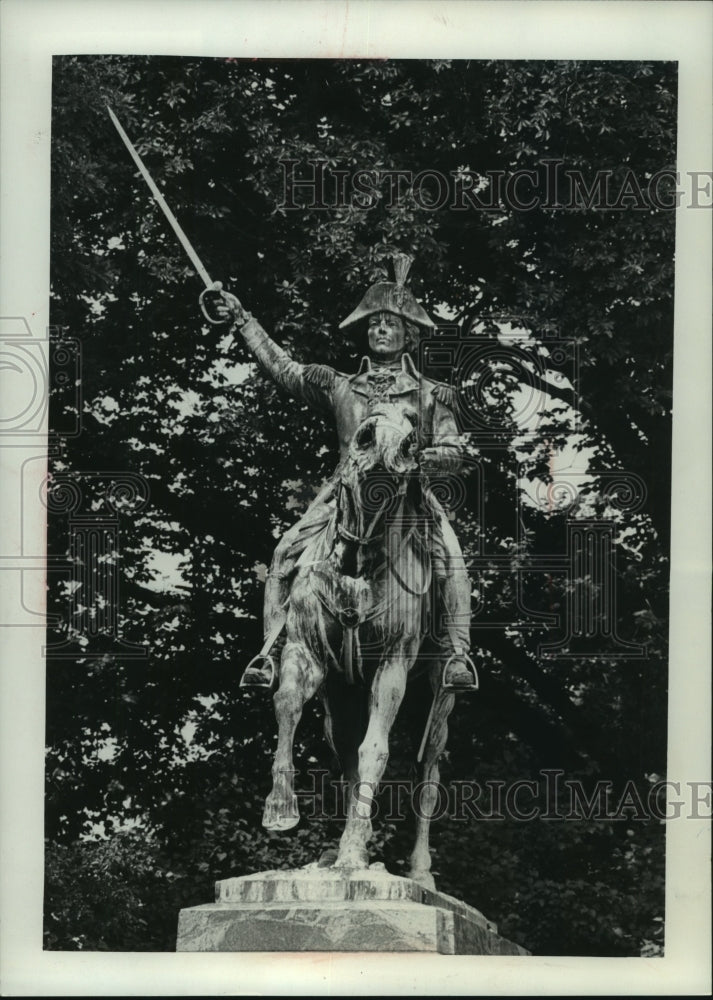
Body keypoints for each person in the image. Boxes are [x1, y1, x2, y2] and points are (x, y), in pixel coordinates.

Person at [212, 253, 478, 690]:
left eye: (390, 323)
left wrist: (434, 458)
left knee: (452, 562)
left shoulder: (432, 395)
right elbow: (283, 369)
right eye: (374, 323)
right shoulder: (339, 385)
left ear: (409, 333)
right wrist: (243, 320)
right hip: (343, 495)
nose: (380, 329)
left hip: (408, 498)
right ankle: (271, 652)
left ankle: (456, 655)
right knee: (283, 553)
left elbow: (452, 448)